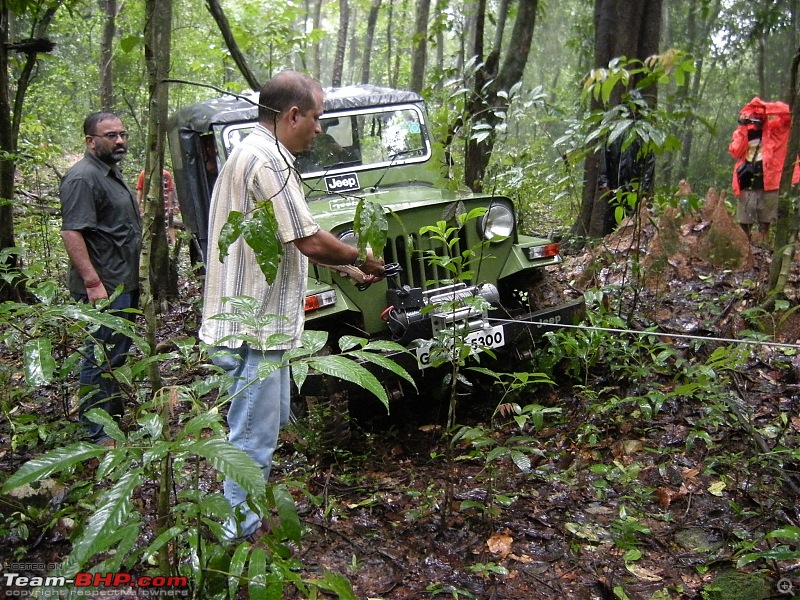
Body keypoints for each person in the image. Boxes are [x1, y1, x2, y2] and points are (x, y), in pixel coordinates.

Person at [199, 71, 385, 542]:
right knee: (252, 437)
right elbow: (306, 240)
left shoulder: (253, 151)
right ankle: (238, 533)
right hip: (252, 326)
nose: (320, 128)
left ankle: (247, 507)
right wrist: (363, 259)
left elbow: (290, 237)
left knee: (273, 418)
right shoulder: (269, 162)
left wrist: (347, 271)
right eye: (317, 118)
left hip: (250, 320)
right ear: (293, 114)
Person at [60, 112, 141, 446]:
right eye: (110, 135)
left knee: (116, 354)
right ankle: (97, 433)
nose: (119, 140)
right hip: (105, 286)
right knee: (100, 355)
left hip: (123, 280)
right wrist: (93, 283)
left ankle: (112, 418)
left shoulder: (110, 172)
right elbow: (72, 232)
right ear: (90, 141)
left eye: (122, 134)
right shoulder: (82, 177)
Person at [729, 97, 800, 241]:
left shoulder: (776, 129)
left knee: (766, 218)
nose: (755, 121)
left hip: (770, 180)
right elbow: (735, 151)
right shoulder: (743, 132)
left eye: (758, 117)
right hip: (747, 178)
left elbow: (789, 113)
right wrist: (744, 127)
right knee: (744, 217)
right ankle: (745, 245)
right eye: (753, 117)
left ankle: (763, 243)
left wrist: (766, 108)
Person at [136, 168, 179, 244]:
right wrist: (137, 206)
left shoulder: (166, 174)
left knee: (170, 226)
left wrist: (170, 206)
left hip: (164, 205)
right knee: (149, 226)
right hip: (150, 206)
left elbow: (170, 190)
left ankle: (173, 243)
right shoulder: (144, 174)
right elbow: (140, 190)